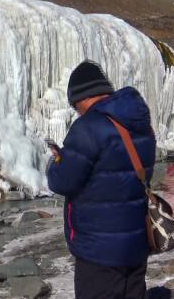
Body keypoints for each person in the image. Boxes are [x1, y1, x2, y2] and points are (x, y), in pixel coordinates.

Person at [47, 60, 155, 299]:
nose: (77, 111)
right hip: (135, 243)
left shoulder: (88, 127)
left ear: (83, 97)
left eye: (75, 105)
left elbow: (62, 182)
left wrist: (56, 161)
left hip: (99, 250)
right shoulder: (139, 125)